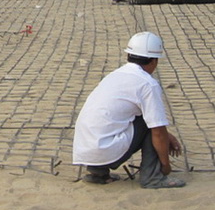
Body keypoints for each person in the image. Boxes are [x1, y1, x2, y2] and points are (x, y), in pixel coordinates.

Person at [73, 31, 185, 187]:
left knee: (144, 122)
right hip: (105, 149)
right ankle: (153, 178)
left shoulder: (115, 75)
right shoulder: (147, 84)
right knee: (151, 126)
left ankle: (98, 174)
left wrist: (168, 135)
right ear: (154, 61)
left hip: (85, 149)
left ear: (129, 56)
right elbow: (157, 130)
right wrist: (165, 165)